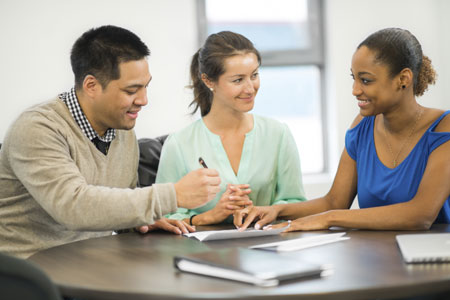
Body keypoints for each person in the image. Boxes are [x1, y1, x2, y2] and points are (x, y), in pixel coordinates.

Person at [0, 25, 221, 258]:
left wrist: (139, 220)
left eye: (146, 86)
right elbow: (73, 206)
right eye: (131, 90)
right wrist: (173, 195)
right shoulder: (37, 128)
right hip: (29, 273)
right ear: (91, 86)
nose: (144, 100)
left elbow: (112, 204)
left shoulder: (122, 130)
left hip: (89, 264)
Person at [234, 28, 450, 232]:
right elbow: (335, 201)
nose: (355, 90)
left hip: (429, 266)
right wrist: (277, 210)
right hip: (377, 261)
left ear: (403, 79)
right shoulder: (362, 126)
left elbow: (421, 215)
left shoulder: (443, 127)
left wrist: (329, 218)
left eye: (366, 80)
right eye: (354, 78)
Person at [155, 31, 306, 227]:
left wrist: (266, 211)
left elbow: (296, 202)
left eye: (254, 75)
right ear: (209, 81)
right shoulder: (179, 144)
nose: (250, 88)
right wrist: (209, 216)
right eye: (238, 80)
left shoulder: (278, 134)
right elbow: (161, 216)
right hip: (198, 252)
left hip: (264, 248)